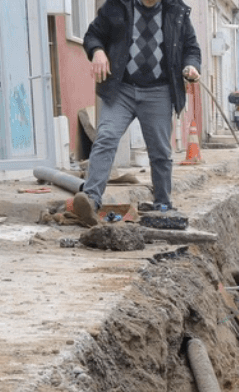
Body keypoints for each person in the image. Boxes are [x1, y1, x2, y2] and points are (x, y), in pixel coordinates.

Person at [74, 0, 202, 226]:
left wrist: (191, 66)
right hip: (120, 89)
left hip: (159, 90)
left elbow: (191, 48)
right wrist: (98, 51)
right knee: (106, 137)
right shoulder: (117, 5)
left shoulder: (176, 11)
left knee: (161, 151)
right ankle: (91, 199)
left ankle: (162, 204)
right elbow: (93, 35)